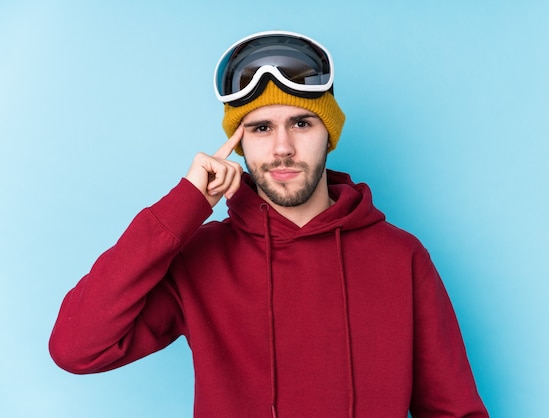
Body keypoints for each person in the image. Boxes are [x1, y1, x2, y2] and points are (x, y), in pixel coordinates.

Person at [49, 30, 489, 418]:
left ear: (328, 134)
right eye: (260, 128)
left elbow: (453, 409)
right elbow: (76, 349)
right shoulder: (199, 259)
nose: (282, 148)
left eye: (301, 123)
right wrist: (182, 207)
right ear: (238, 145)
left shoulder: (400, 256)